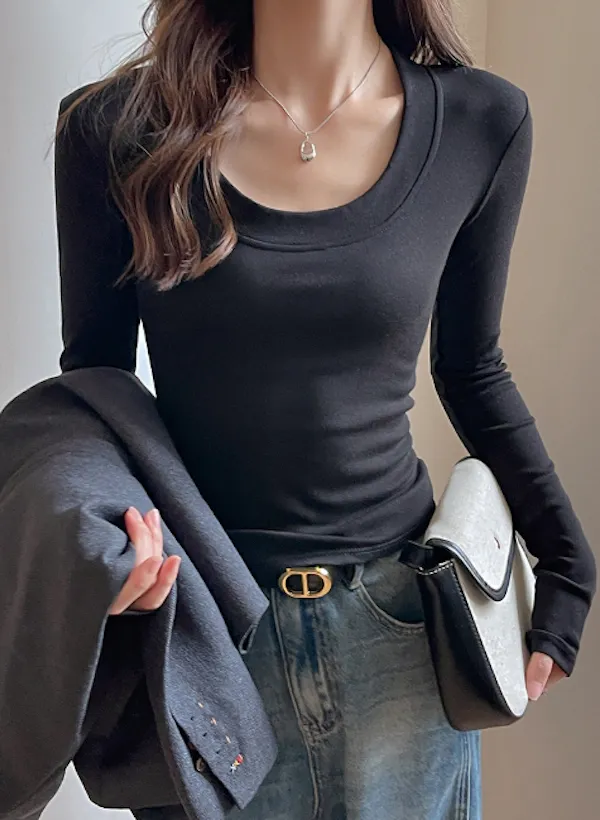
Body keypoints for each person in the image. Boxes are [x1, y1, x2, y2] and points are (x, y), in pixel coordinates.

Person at [53, 1, 596, 818]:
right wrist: (102, 549)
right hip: (210, 636)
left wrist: (567, 558)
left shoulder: (482, 122)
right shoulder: (114, 130)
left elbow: (471, 367)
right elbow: (95, 386)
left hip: (405, 640)